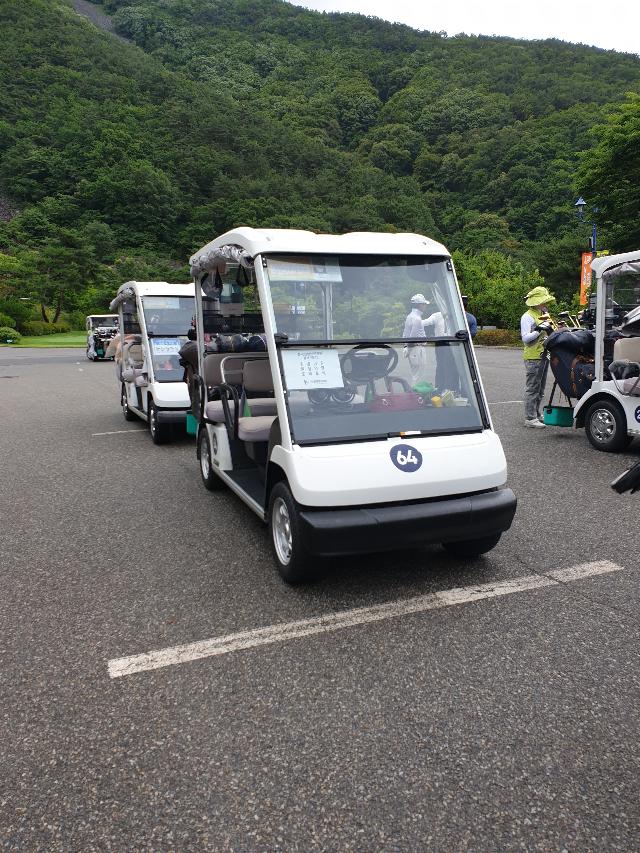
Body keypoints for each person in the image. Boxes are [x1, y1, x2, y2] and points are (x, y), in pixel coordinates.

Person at [520, 285, 557, 428]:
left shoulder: (543, 313)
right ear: (536, 302)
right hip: (533, 356)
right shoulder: (527, 316)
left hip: (545, 354)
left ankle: (536, 413)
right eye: (543, 301)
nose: (545, 304)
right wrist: (538, 330)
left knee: (540, 388)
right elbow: (525, 338)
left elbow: (551, 332)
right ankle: (530, 418)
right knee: (532, 387)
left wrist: (551, 327)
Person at [403, 293, 430, 383]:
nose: (425, 306)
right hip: (417, 348)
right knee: (419, 375)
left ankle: (415, 394)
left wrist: (405, 347)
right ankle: (416, 395)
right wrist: (408, 347)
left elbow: (405, 333)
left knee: (415, 374)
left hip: (413, 348)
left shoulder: (410, 316)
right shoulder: (417, 318)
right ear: (419, 305)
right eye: (424, 304)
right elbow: (413, 337)